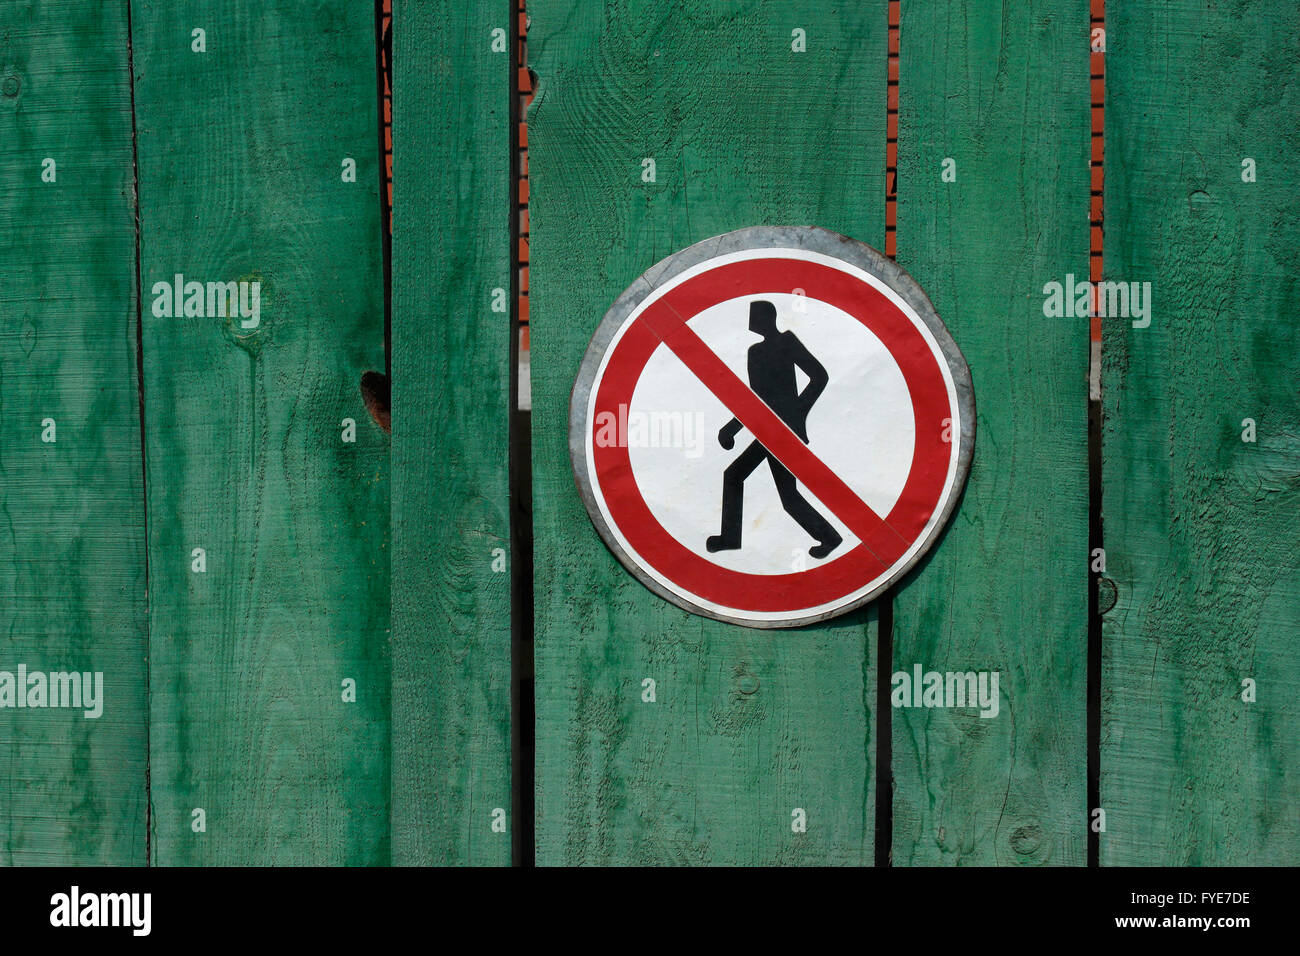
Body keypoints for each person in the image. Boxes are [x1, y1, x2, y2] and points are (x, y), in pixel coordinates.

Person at [707, 300, 842, 559]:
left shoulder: (787, 342)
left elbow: (819, 376)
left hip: (784, 432)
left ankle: (830, 538)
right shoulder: (754, 352)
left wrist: (799, 410)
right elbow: (755, 399)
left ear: (766, 317)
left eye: (754, 316)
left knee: (786, 496)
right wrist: (731, 428)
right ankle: (730, 538)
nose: (750, 321)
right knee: (737, 477)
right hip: (767, 431)